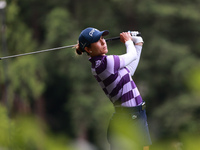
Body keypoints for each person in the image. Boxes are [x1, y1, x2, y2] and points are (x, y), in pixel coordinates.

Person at [75, 27, 152, 150]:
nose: (103, 42)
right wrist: (128, 40)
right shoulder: (105, 63)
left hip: (133, 114)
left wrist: (138, 44)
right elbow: (131, 55)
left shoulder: (102, 64)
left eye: (102, 38)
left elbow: (129, 71)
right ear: (88, 49)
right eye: (97, 41)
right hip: (130, 116)